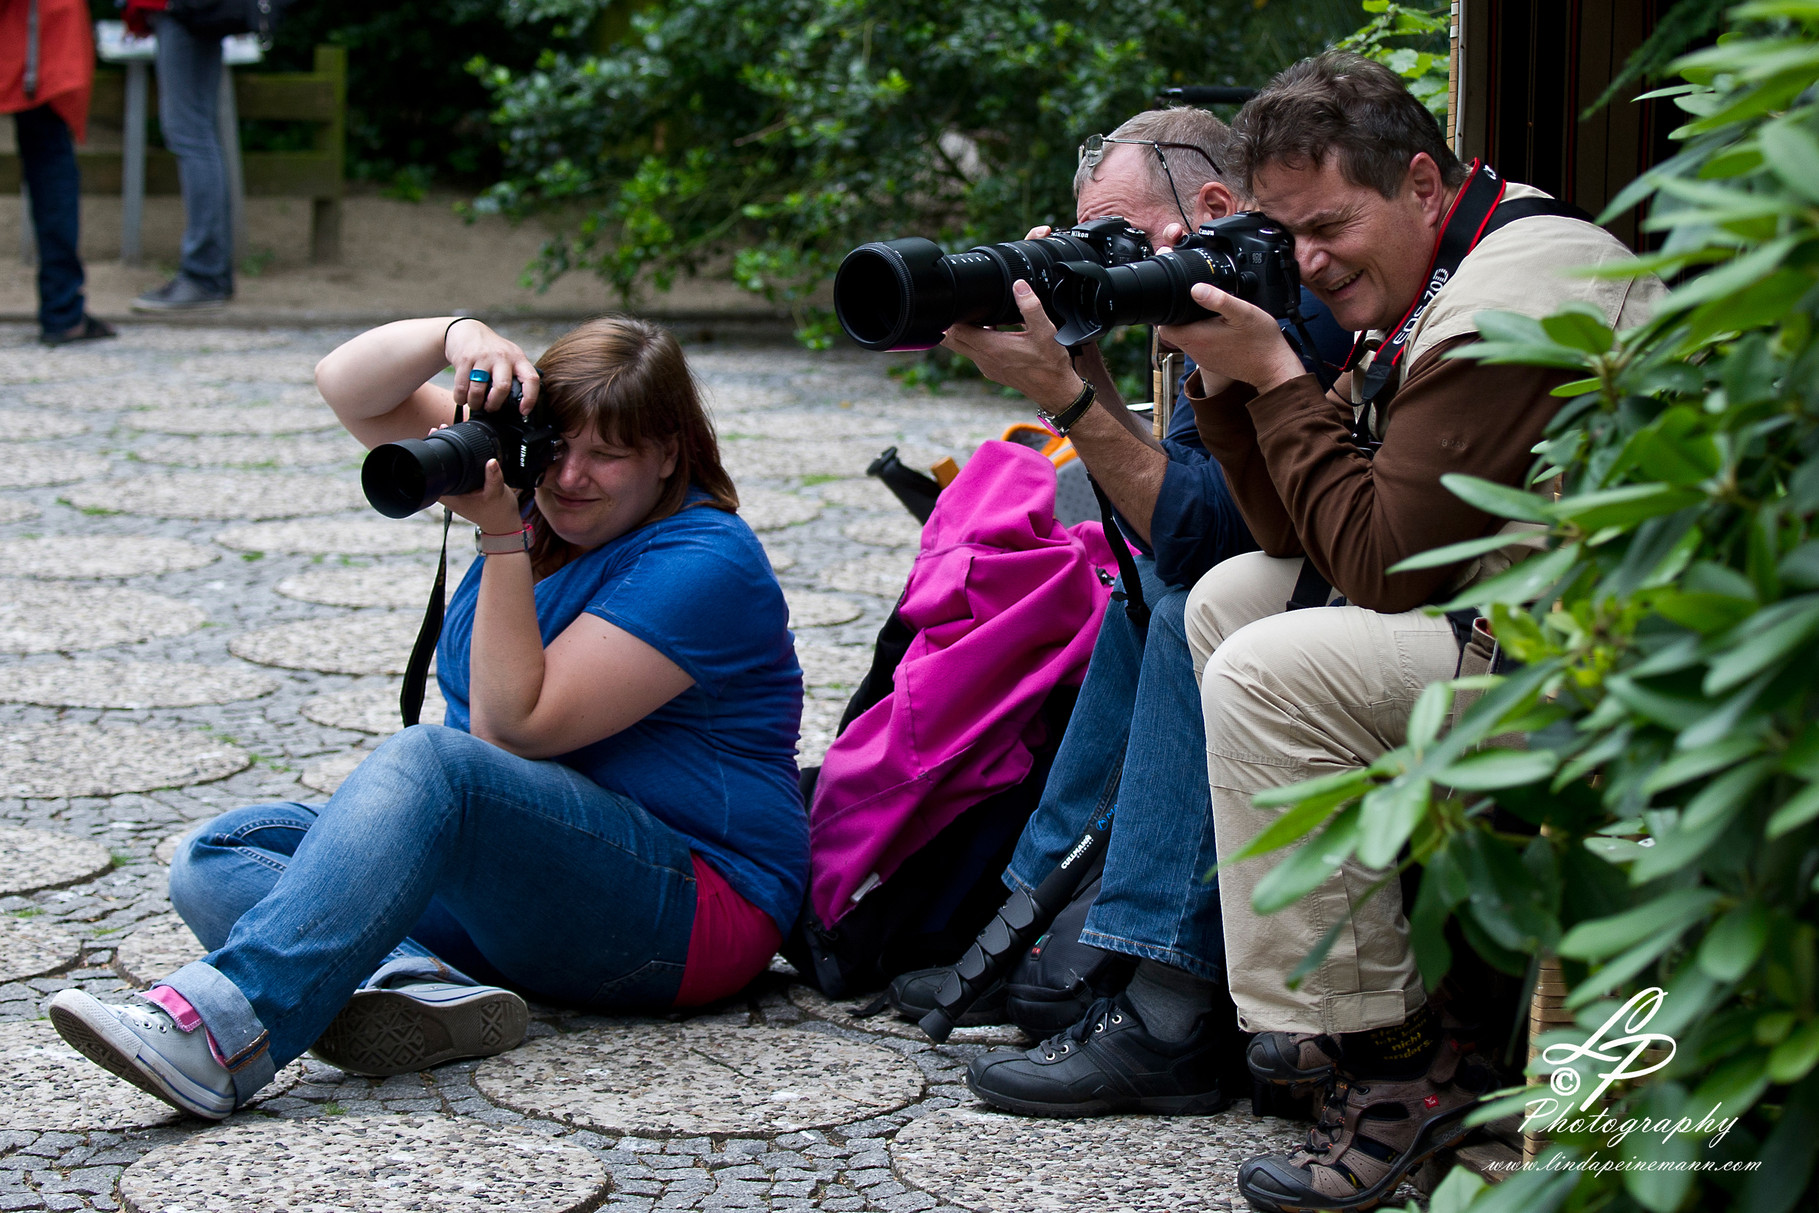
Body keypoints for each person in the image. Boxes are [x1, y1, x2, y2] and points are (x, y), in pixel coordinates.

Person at [47, 315, 808, 1118]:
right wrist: (459, 333)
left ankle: (221, 1036)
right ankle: (416, 985)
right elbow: (347, 384)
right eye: (556, 448)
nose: (571, 477)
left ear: (667, 454)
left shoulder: (707, 561)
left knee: (433, 761)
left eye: (608, 455)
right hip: (528, 887)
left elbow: (514, 728)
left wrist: (500, 534)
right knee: (221, 853)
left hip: (691, 909)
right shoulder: (532, 491)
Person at [1159, 55, 1659, 1210]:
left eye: (1330, 224)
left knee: (1269, 668)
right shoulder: (1450, 266)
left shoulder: (1516, 295)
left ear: (1423, 182)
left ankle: (1395, 1070)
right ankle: (1402, 1011)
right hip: (1512, 615)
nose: (1312, 262)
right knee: (1235, 595)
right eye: (1290, 239)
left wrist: (1280, 377)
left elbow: (1381, 563)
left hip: (1607, 668)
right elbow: (1303, 529)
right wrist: (1230, 390)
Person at [946, 106, 1349, 1117]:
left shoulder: (1277, 292)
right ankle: (1037, 928)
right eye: (1087, 238)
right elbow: (1169, 512)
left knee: (1179, 606)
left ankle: (1165, 1011)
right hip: (1298, 568)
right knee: (1136, 603)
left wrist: (1073, 403)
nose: (1103, 262)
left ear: (1211, 205)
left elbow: (1208, 535)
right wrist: (1075, 364)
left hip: (1362, 584)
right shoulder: (1203, 285)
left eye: (1116, 237)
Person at [2, 0, 116, 344]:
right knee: (52, 169)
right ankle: (62, 310)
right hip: (36, 35)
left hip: (33, 35)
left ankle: (63, 309)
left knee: (51, 166)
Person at [125, 0, 235, 311]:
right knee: (197, 136)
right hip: (190, 11)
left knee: (192, 138)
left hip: (182, 10)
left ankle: (204, 274)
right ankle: (211, 274)